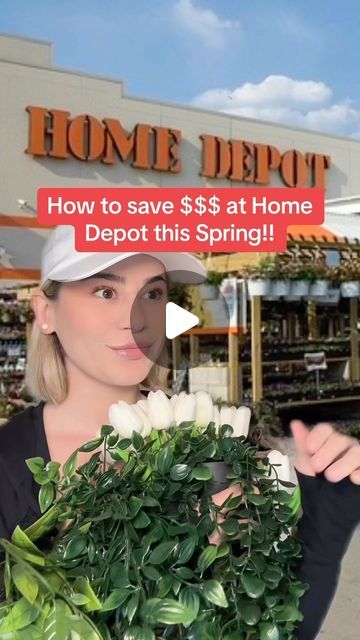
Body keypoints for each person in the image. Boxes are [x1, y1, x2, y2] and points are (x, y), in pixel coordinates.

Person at [0, 225, 359, 639]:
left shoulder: (222, 445)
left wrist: (326, 524)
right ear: (46, 312)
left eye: (152, 294)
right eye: (105, 291)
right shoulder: (9, 467)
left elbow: (279, 624)